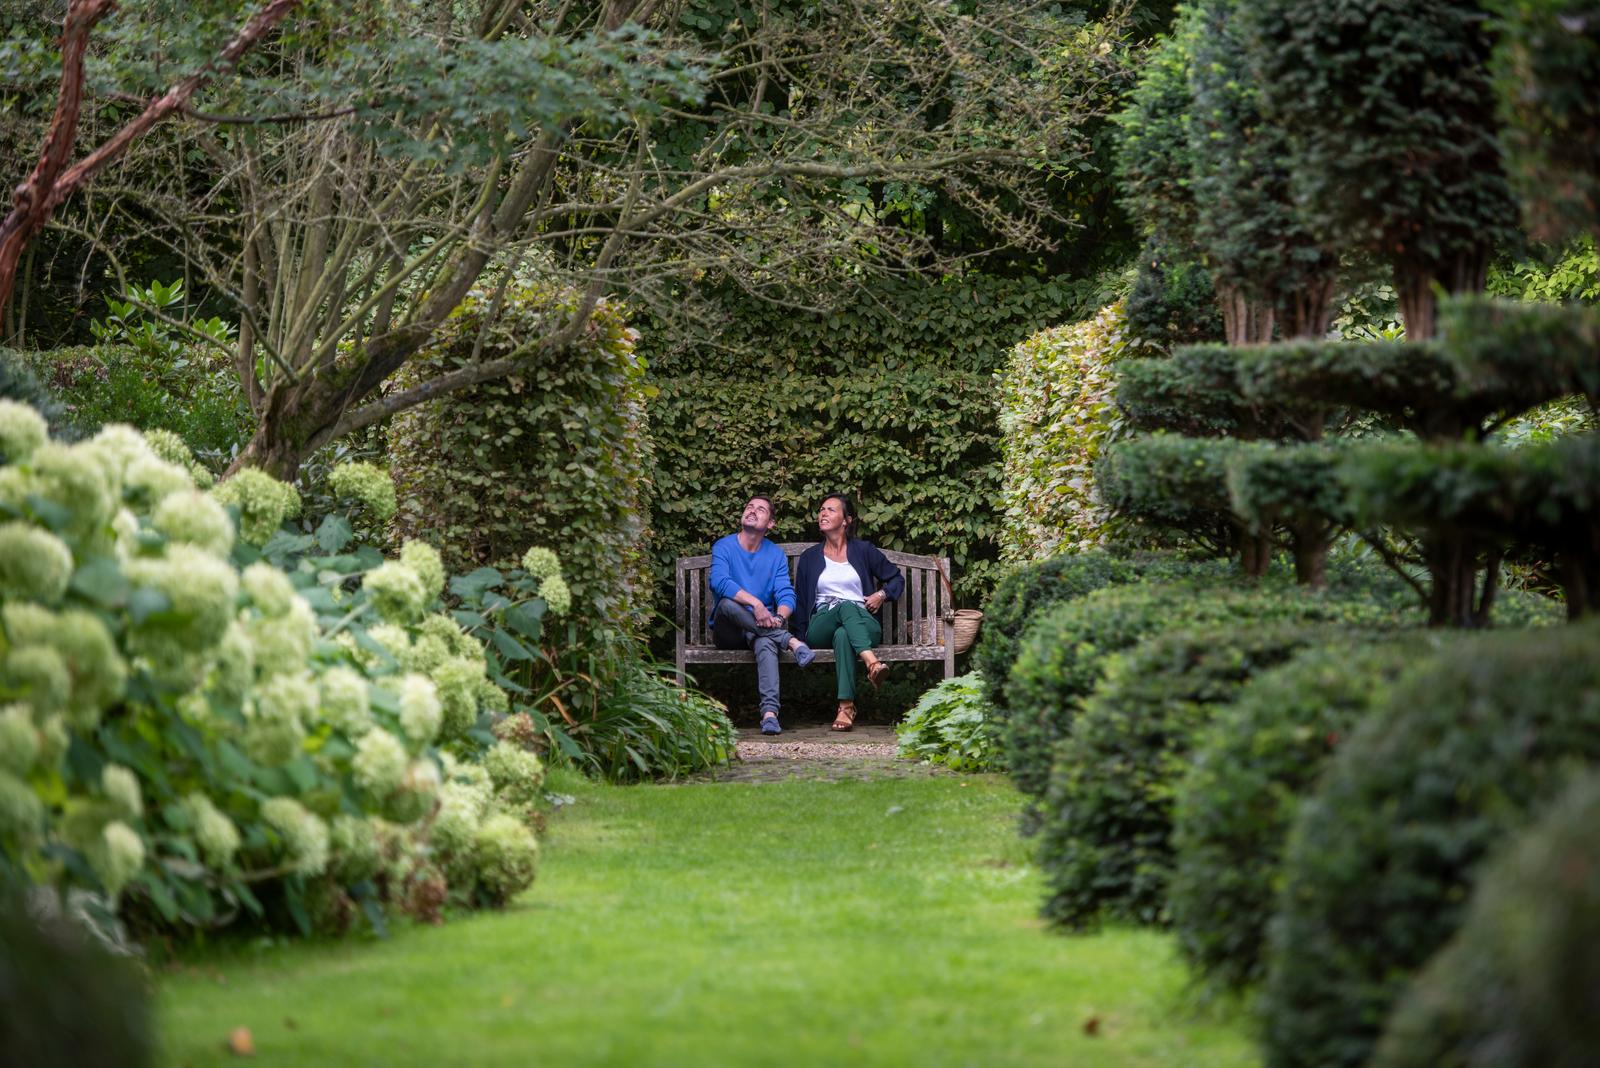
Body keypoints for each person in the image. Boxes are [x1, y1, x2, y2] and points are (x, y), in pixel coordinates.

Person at [789, 493, 904, 732]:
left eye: (831, 509)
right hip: (822, 624)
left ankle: (846, 706)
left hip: (863, 624)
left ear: (846, 520)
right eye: (821, 509)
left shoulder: (863, 550)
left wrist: (881, 595)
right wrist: (798, 640)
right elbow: (800, 602)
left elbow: (895, 579)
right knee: (845, 605)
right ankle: (872, 663)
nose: (823, 513)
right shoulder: (810, 558)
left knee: (843, 634)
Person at [708, 494, 816, 736]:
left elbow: (786, 594)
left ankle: (769, 714)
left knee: (767, 640)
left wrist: (778, 617)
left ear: (771, 524)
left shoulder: (775, 555)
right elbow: (719, 582)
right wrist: (756, 604)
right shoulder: (724, 546)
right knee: (726, 604)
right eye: (749, 507)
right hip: (729, 631)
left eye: (761, 509)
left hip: (761, 628)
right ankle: (790, 641)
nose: (752, 510)